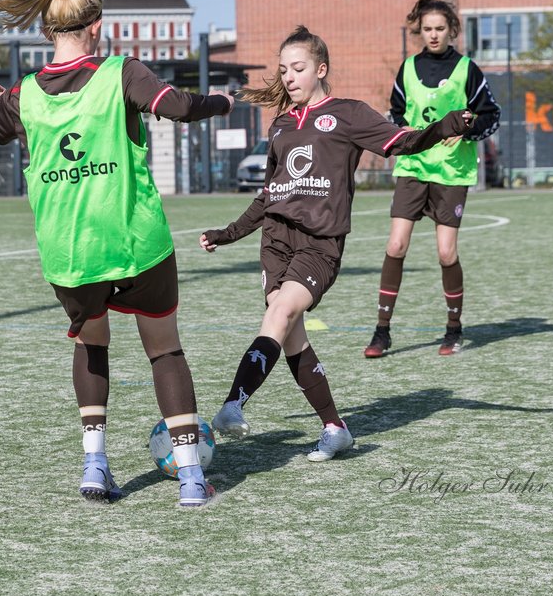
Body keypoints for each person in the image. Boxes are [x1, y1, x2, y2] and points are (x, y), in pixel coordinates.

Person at [0, 0, 232, 507]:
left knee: (92, 345)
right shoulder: (122, 72)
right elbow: (181, 107)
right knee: (163, 348)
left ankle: (94, 466)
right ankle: (190, 478)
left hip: (70, 251)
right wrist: (225, 102)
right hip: (136, 240)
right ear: (96, 26)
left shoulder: (23, 95)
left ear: (45, 33)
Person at [200, 26, 473, 460]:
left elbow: (400, 141)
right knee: (290, 335)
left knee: (282, 310)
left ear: (321, 69)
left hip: (319, 244)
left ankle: (233, 404)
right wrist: (228, 233)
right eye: (283, 69)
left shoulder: (348, 113)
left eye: (299, 68)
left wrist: (440, 128)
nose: (289, 77)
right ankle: (335, 427)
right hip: (275, 242)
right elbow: (269, 194)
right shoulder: (282, 124)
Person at [363, 0, 500, 360]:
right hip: (413, 166)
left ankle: (453, 329)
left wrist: (468, 132)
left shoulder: (467, 69)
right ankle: (382, 331)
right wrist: (399, 129)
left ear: (451, 30)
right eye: (427, 29)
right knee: (395, 246)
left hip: (452, 169)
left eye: (440, 28)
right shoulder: (407, 68)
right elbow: (394, 114)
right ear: (418, 31)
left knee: (445, 252)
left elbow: (491, 114)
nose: (434, 34)